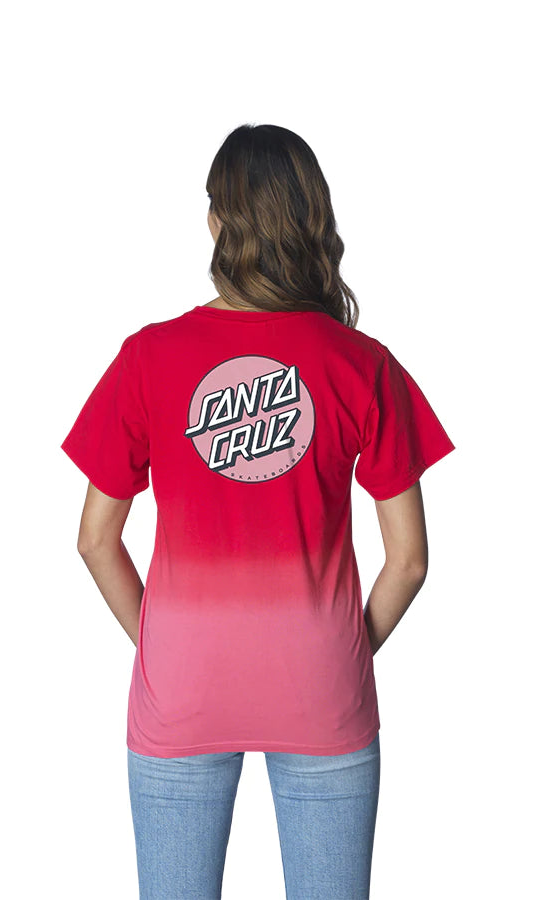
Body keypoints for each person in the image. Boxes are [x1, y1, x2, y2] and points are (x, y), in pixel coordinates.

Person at [60, 123, 456, 900]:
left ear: (215, 221)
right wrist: (342, 651)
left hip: (181, 691)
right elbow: (408, 561)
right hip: (321, 688)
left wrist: (165, 644)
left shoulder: (147, 357)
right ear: (314, 220)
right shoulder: (362, 363)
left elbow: (95, 541)